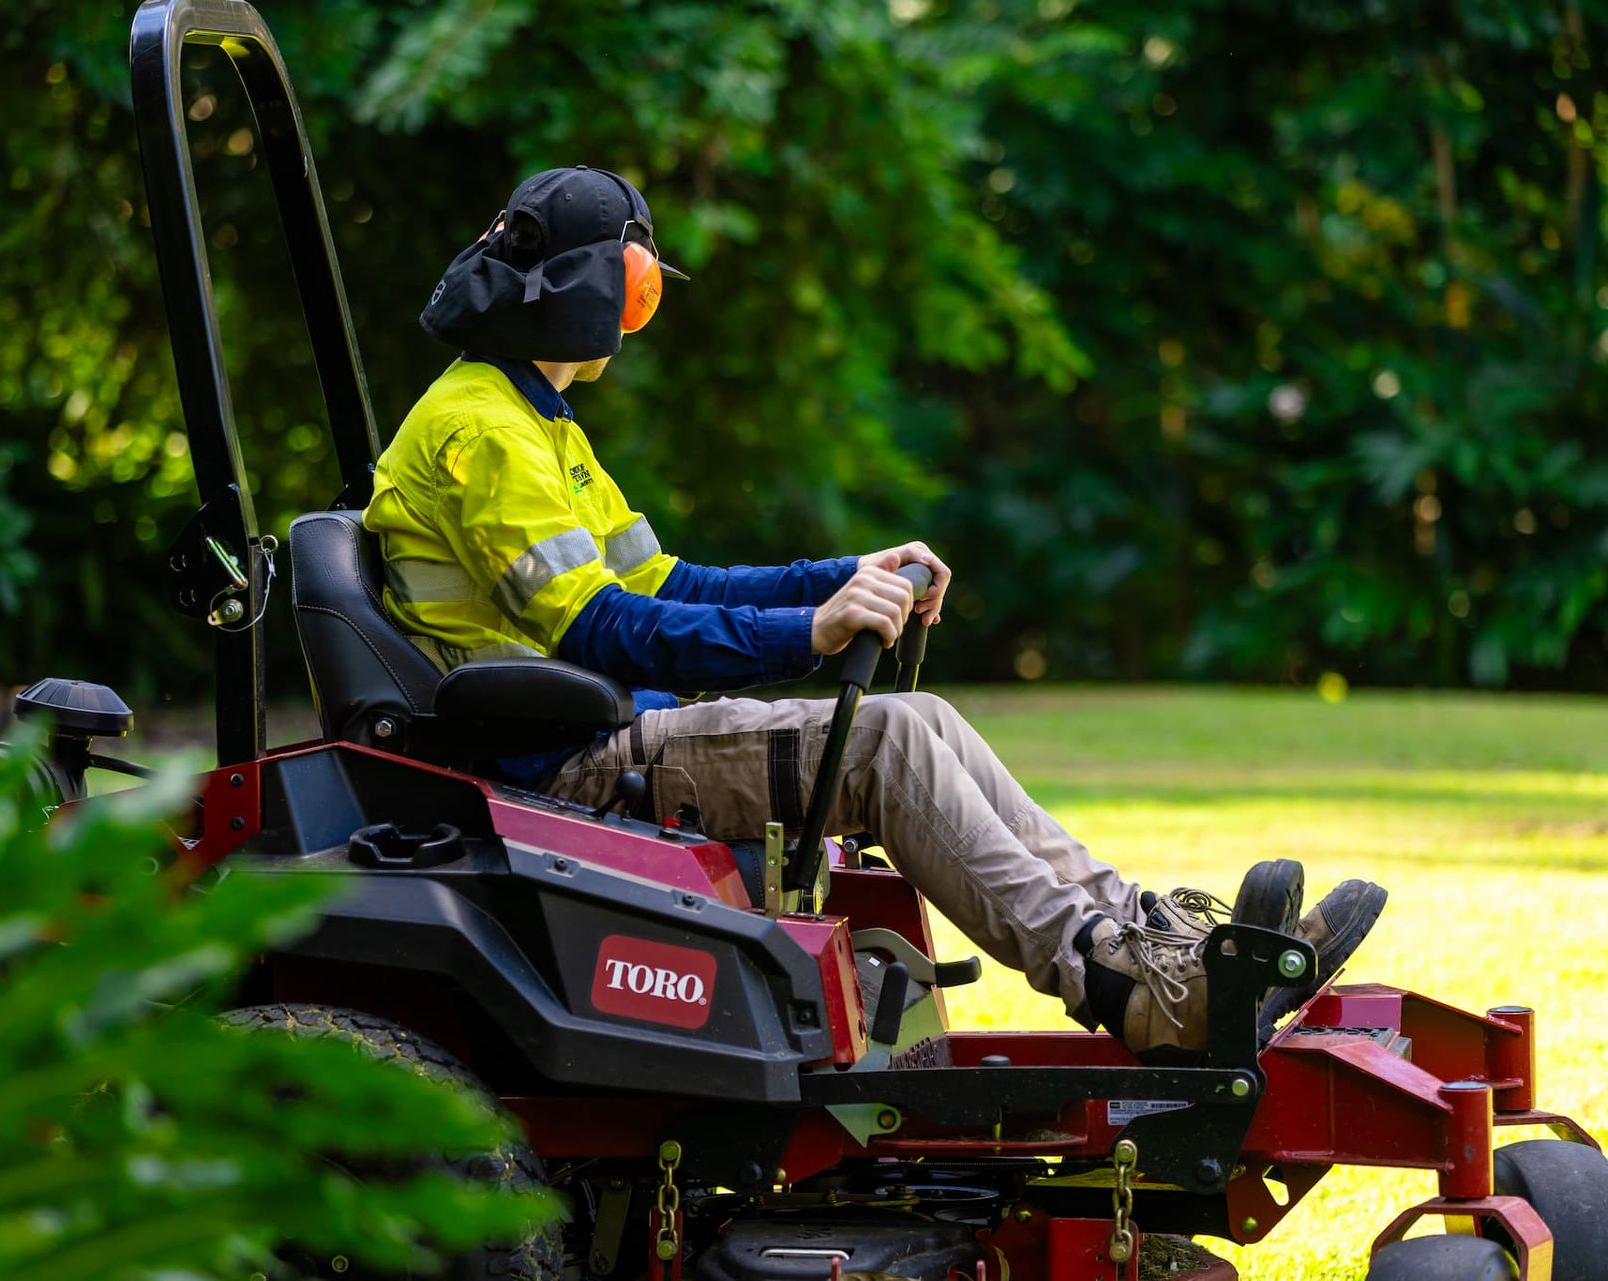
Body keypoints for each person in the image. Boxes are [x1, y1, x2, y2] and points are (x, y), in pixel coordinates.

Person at [364, 166, 1386, 1061]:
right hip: (563, 762)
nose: (639, 316)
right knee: (891, 744)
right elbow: (598, 631)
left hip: (587, 730)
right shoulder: (486, 431)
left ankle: (1160, 947)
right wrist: (806, 635)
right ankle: (1134, 991)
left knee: (924, 717)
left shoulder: (528, 418)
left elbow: (667, 586)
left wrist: (837, 575)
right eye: (639, 292)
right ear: (602, 293)